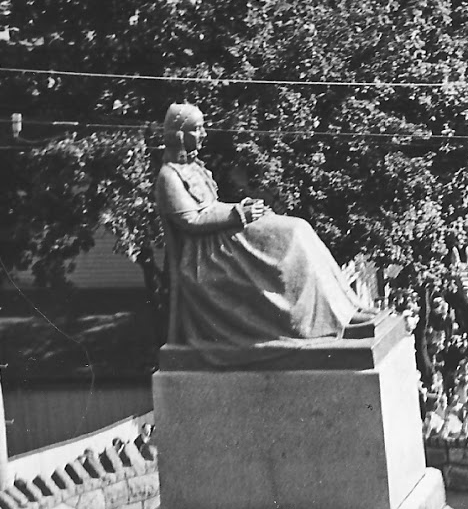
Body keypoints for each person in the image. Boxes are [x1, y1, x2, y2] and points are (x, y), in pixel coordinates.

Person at [154, 103, 369, 347]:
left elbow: (212, 206)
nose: (203, 134)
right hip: (207, 255)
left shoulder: (194, 168)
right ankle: (324, 320)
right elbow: (191, 220)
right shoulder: (169, 176)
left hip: (222, 234)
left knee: (299, 228)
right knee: (292, 235)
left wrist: (245, 207)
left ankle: (343, 309)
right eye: (197, 129)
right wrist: (238, 214)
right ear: (179, 136)